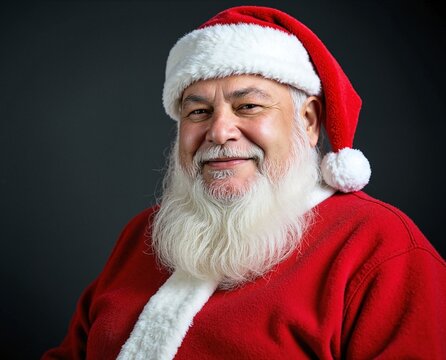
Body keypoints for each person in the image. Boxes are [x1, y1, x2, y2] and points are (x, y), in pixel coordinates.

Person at [42, 6, 446, 359]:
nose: (219, 131)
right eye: (198, 111)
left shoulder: (381, 247)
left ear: (308, 120)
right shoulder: (142, 236)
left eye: (248, 106)